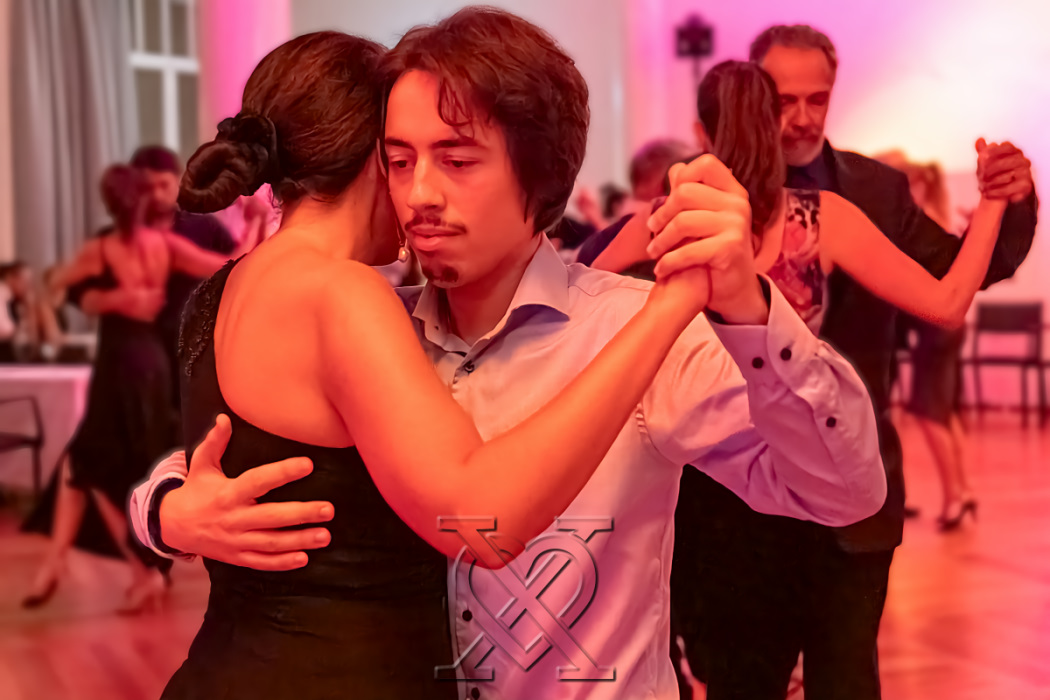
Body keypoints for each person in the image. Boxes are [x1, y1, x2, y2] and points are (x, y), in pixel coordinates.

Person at [130, 9, 888, 700]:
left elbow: (845, 494)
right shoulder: (372, 322)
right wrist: (165, 508)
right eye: (398, 161)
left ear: (541, 173)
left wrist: (748, 311)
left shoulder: (632, 330)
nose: (419, 195)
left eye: (457, 161)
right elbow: (246, 452)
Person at [666, 26, 1037, 700]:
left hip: (851, 496)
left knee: (847, 681)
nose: (802, 118)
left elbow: (954, 279)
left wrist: (1006, 201)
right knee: (740, 682)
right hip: (733, 505)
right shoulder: (699, 195)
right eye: (784, 100)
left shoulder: (871, 191)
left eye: (818, 99)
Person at [21, 164, 256, 613]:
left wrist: (105, 298)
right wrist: (254, 224)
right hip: (151, 363)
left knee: (94, 465)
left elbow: (53, 285)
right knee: (97, 464)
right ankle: (93, 565)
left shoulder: (103, 249)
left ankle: (139, 569)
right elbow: (228, 264)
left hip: (121, 363)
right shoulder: (163, 244)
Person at [876, 153, 975, 529]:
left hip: (936, 329)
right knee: (943, 412)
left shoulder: (921, 220)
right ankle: (963, 491)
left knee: (928, 412)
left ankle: (954, 499)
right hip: (944, 328)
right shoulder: (935, 214)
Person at [129, 146, 238, 426]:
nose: (156, 195)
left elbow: (238, 267)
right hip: (143, 350)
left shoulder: (203, 226)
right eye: (146, 187)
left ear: (178, 181)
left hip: (196, 346)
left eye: (163, 185)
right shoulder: (126, 235)